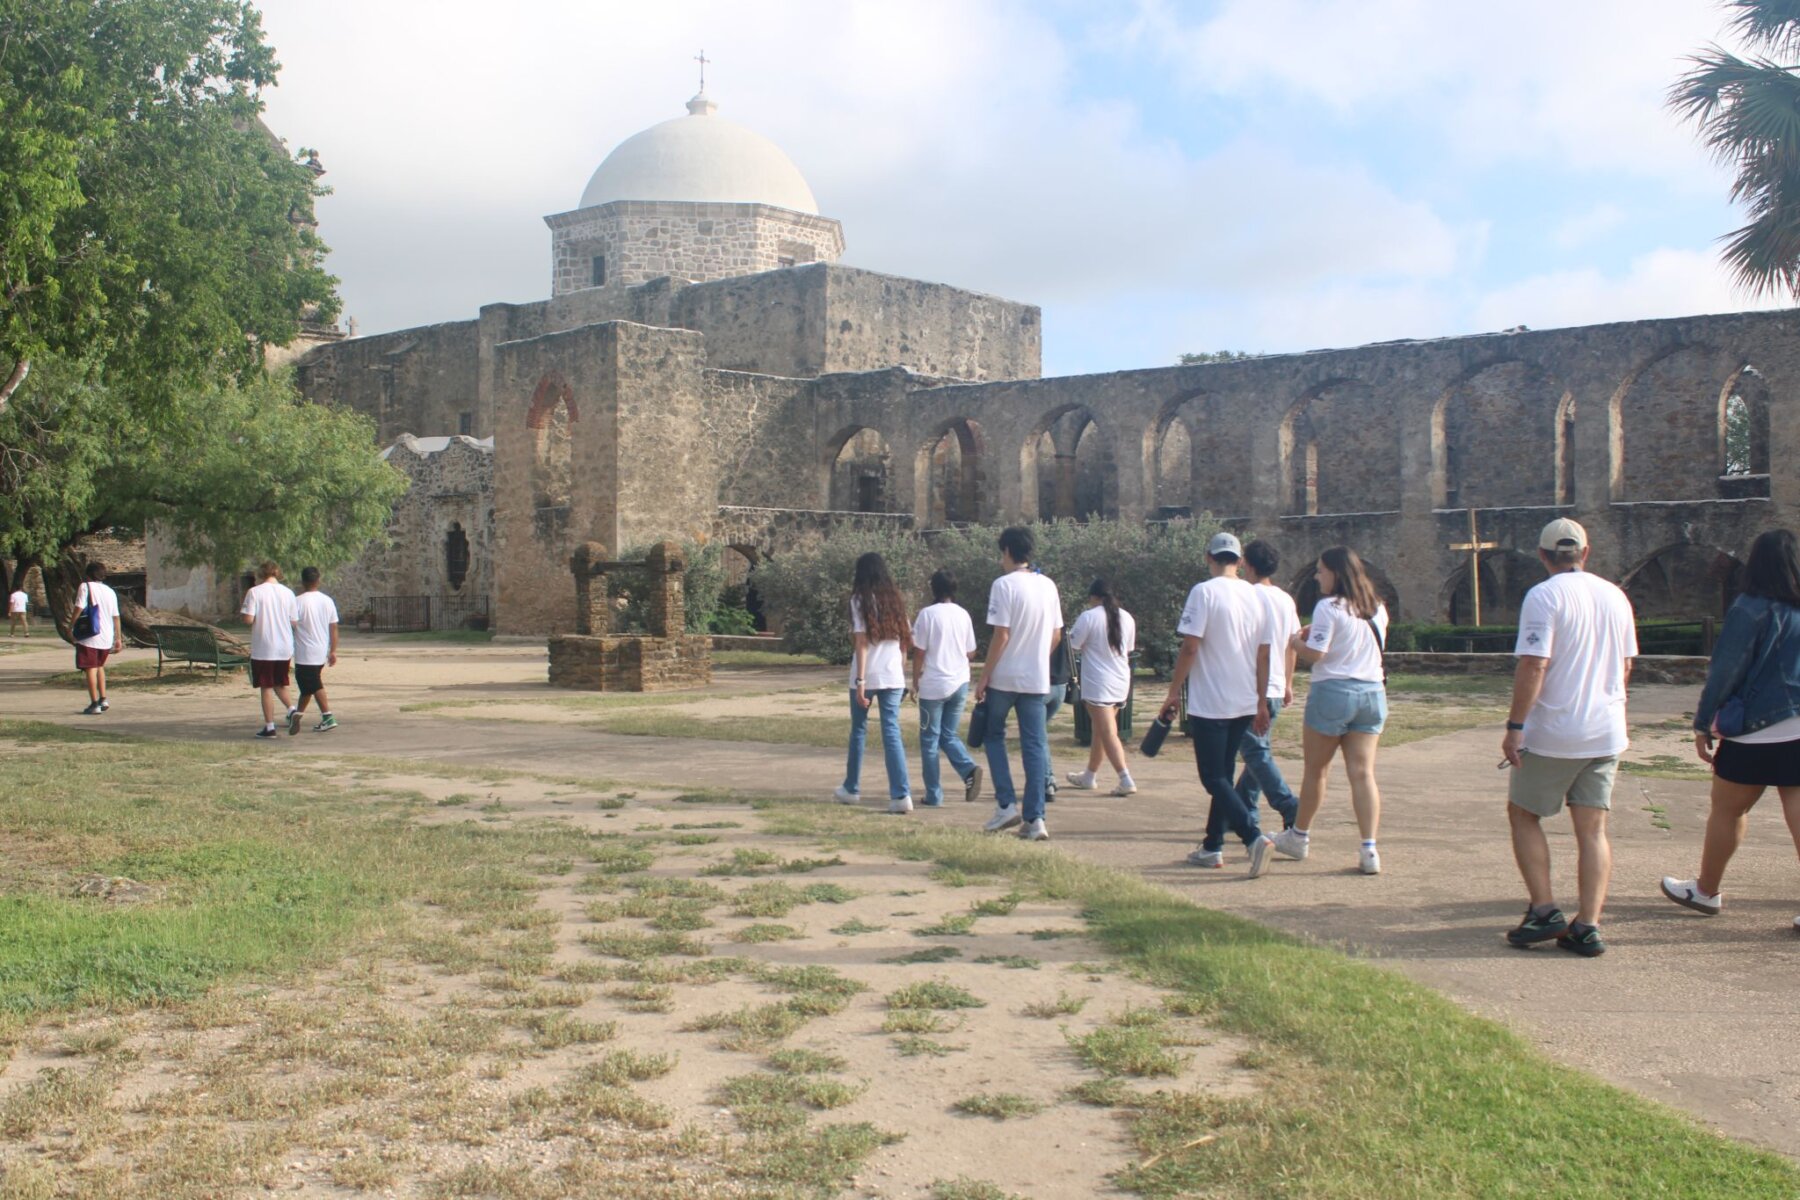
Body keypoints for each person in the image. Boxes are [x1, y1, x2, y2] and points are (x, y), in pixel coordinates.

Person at [1498, 519, 1636, 958]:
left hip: (1557, 730)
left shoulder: (1543, 595)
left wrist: (1515, 726)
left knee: (1523, 813)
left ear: (1542, 556)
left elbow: (1535, 664)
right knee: (1592, 829)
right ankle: (1589, 925)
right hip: (1606, 729)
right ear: (1585, 552)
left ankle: (1543, 910)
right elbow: (1627, 665)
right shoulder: (1616, 595)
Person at [1659, 528, 1800, 933]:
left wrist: (1703, 721)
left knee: (1728, 808)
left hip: (1756, 726)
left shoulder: (1750, 608)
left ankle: (1706, 890)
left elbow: (1725, 670)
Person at [1161, 532, 1276, 877]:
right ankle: (1212, 846)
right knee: (1223, 775)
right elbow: (1264, 653)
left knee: (1212, 778)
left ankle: (1252, 835)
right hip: (1243, 699)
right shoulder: (1259, 597)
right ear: (1240, 562)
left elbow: (1191, 647)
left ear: (1208, 557)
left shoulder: (1204, 592)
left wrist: (1172, 692)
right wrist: (1260, 701)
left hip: (1211, 700)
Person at [1274, 546, 1390, 875]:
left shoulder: (1328, 607)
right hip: (1371, 692)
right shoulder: (1377, 608)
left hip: (1333, 692)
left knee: (1316, 770)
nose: (1316, 575)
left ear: (1335, 573)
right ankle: (1369, 847)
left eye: (1321, 570)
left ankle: (1299, 836)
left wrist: (1295, 641)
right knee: (1363, 773)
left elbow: (1318, 654)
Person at [975, 526, 1063, 841]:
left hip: (1005, 676)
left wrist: (985, 675)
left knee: (993, 735)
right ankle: (1036, 818)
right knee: (1035, 745)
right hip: (1036, 678)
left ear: (1009, 551)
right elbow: (1056, 634)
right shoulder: (1048, 585)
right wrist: (1037, 655)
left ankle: (1005, 804)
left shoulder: (1003, 585)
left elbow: (1002, 634)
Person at [833, 552, 913, 813]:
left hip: (869, 674)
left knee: (859, 730)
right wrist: (902, 670)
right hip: (892, 675)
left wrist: (861, 681)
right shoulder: (895, 600)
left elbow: (861, 642)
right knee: (892, 732)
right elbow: (904, 640)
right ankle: (901, 795)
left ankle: (852, 788)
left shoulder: (859, 600)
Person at [1237, 540, 1300, 830]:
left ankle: (1289, 805)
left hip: (1252, 686)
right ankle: (1239, 812)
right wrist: (1288, 681)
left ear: (1248, 564)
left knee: (1256, 754)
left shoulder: (1246, 596)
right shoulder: (1285, 599)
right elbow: (1293, 643)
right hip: (1274, 684)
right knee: (1256, 753)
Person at [911, 570, 983, 807]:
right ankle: (968, 769)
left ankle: (934, 794)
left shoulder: (927, 615)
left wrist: (914, 681)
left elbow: (919, 651)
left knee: (930, 740)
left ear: (933, 588)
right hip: (959, 681)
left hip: (934, 685)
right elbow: (971, 651)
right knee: (948, 735)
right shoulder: (963, 614)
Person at [1065, 578, 1137, 796]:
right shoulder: (1127, 617)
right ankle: (1089, 775)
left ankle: (1125, 778)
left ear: (1093, 597)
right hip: (1121, 680)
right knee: (1100, 729)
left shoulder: (1089, 617)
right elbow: (1129, 648)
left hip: (1099, 683)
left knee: (1107, 732)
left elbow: (1072, 646)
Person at [241, 561, 301, 739]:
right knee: (279, 682)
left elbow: (248, 619)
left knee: (266, 686)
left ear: (261, 574)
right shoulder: (288, 593)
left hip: (264, 646)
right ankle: (291, 710)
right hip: (284, 645)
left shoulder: (254, 592)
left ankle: (269, 726)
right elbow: (294, 621)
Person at [292, 566, 341, 733]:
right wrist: (333, 650)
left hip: (304, 651)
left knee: (312, 684)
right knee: (308, 685)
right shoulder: (327, 601)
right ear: (318, 580)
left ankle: (327, 716)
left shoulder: (297, 602)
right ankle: (296, 713)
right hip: (320, 650)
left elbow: (291, 625)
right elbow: (333, 627)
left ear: (302, 581)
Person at [72, 563, 121, 715]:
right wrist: (118, 638)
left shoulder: (85, 587)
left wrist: (71, 624)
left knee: (90, 668)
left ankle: (94, 703)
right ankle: (103, 698)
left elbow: (79, 607)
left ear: (88, 574)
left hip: (90, 634)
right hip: (106, 635)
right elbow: (116, 616)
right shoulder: (110, 591)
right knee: (99, 666)